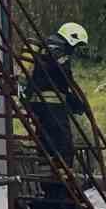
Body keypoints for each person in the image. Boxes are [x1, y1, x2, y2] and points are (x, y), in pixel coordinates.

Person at [21, 22, 90, 170]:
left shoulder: (46, 48)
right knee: (63, 143)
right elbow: (63, 78)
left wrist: (72, 101)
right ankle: (62, 175)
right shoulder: (57, 50)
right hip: (52, 106)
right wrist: (74, 100)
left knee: (45, 141)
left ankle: (47, 174)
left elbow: (54, 78)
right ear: (72, 38)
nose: (74, 50)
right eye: (77, 45)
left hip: (37, 103)